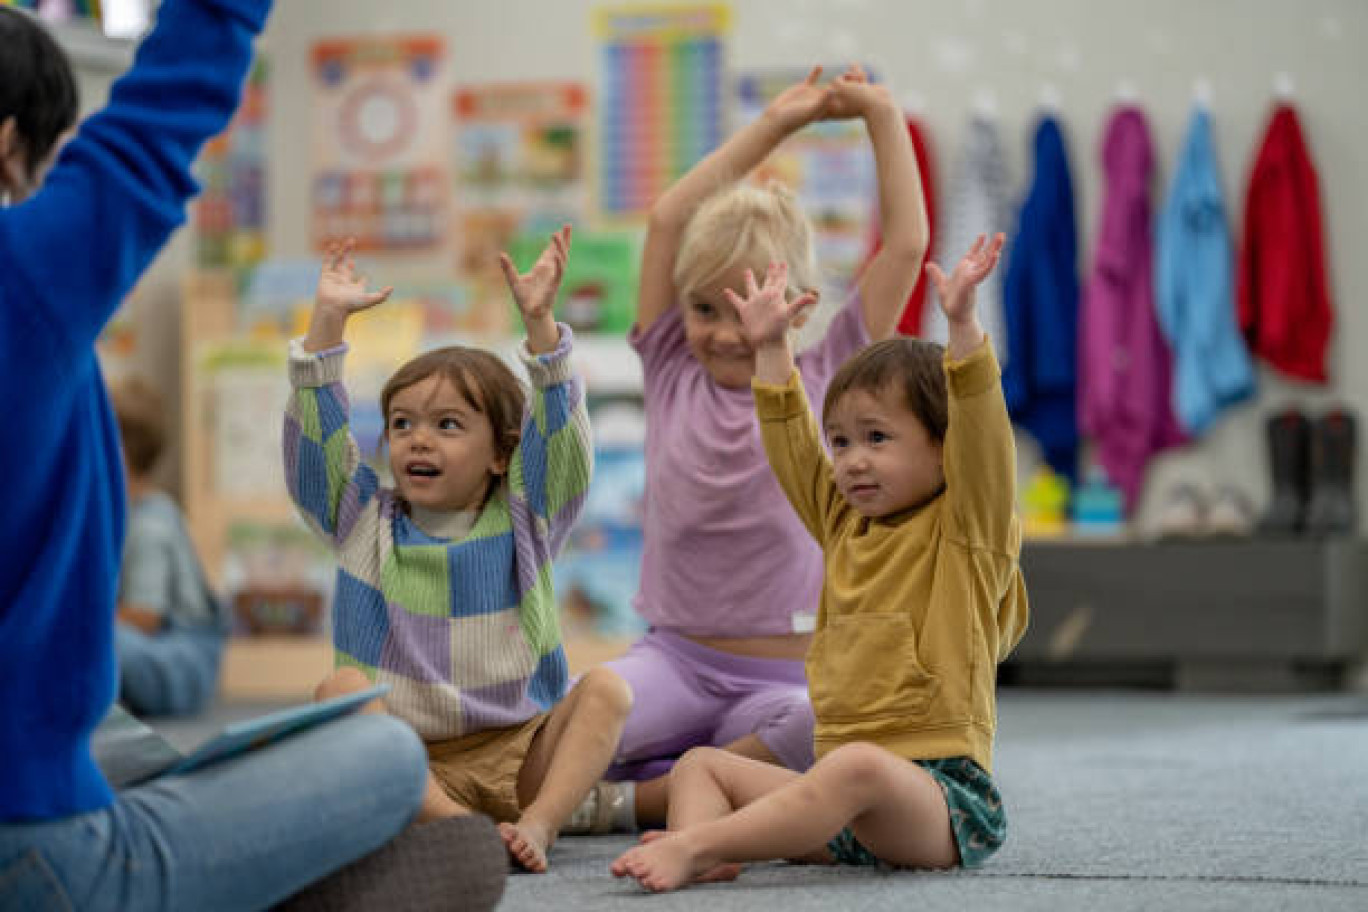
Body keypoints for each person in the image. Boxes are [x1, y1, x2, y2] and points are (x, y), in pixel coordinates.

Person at [0, 5, 504, 910]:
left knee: (123, 733)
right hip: (39, 852)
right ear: (10, 146)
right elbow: (172, 96)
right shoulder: (21, 273)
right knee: (384, 751)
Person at [611, 234, 1029, 892]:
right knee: (700, 767)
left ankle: (695, 844)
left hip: (939, 803)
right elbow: (790, 446)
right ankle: (713, 851)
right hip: (838, 805)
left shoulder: (967, 530)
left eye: (877, 438)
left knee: (854, 767)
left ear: (945, 450)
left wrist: (964, 329)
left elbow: (986, 440)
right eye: (842, 441)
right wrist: (773, 348)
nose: (853, 459)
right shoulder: (843, 523)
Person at [586, 64, 929, 832]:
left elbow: (907, 242)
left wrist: (879, 109)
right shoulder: (671, 362)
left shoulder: (827, 370)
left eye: (747, 306)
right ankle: (697, 774)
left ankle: (645, 795)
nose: (722, 329)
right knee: (570, 722)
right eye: (705, 306)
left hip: (780, 683)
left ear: (797, 307)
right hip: (672, 660)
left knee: (836, 728)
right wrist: (781, 122)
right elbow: (671, 217)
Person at [287, 229, 632, 873]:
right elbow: (317, 449)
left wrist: (540, 329)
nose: (419, 441)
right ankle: (463, 830)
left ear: (501, 454)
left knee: (609, 689)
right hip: (410, 768)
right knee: (339, 688)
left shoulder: (526, 515)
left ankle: (541, 823)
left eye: (448, 425)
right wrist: (327, 327)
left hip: (520, 753)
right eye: (403, 424)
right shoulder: (362, 516)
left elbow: (560, 442)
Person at [110, 375, 226, 718]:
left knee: (102, 641)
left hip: (182, 662)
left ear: (120, 454)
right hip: (162, 654)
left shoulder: (150, 523)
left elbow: (145, 617)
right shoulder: (128, 514)